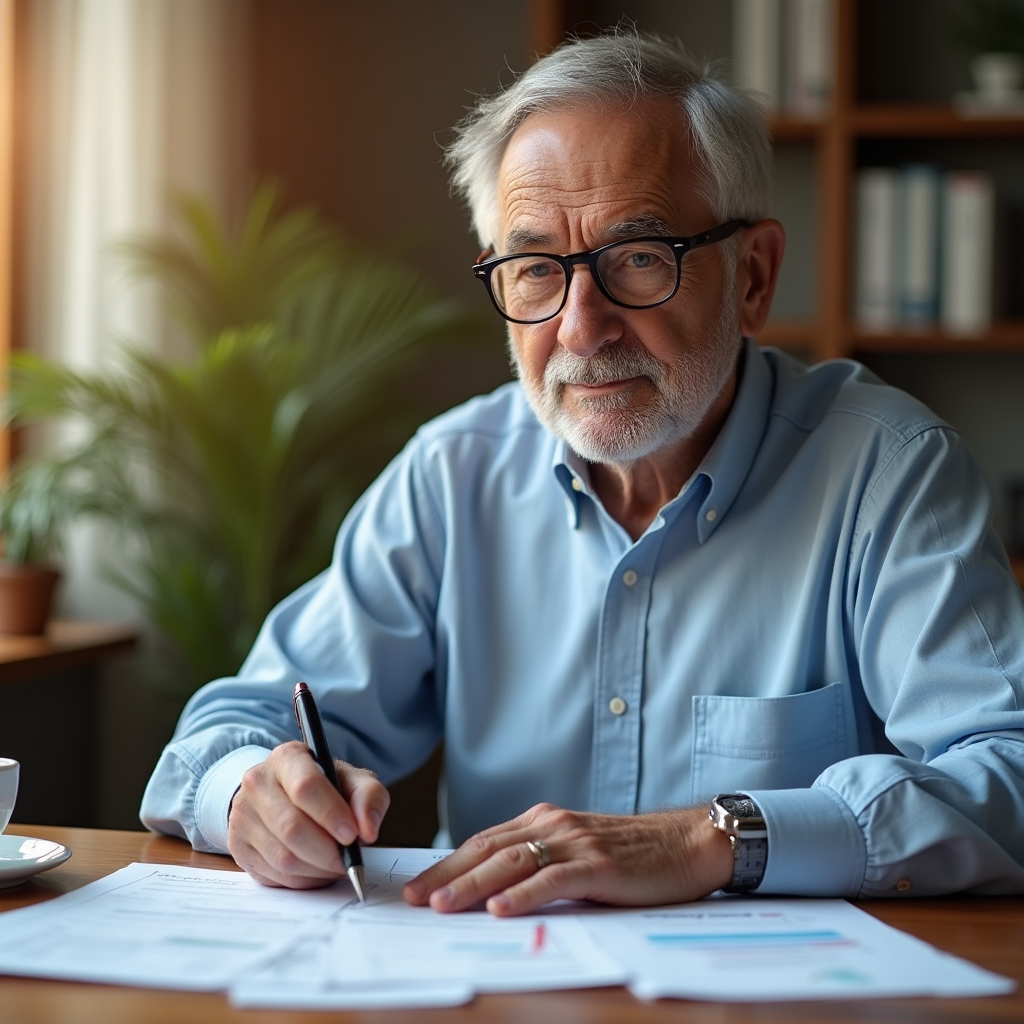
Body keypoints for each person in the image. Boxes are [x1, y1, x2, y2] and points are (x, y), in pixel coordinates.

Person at [141, 32, 1024, 914]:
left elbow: (1008, 774)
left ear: (753, 276)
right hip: (488, 979)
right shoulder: (454, 476)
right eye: (534, 271)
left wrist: (709, 839)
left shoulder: (889, 474)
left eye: (638, 260)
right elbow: (222, 735)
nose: (579, 328)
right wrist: (253, 792)